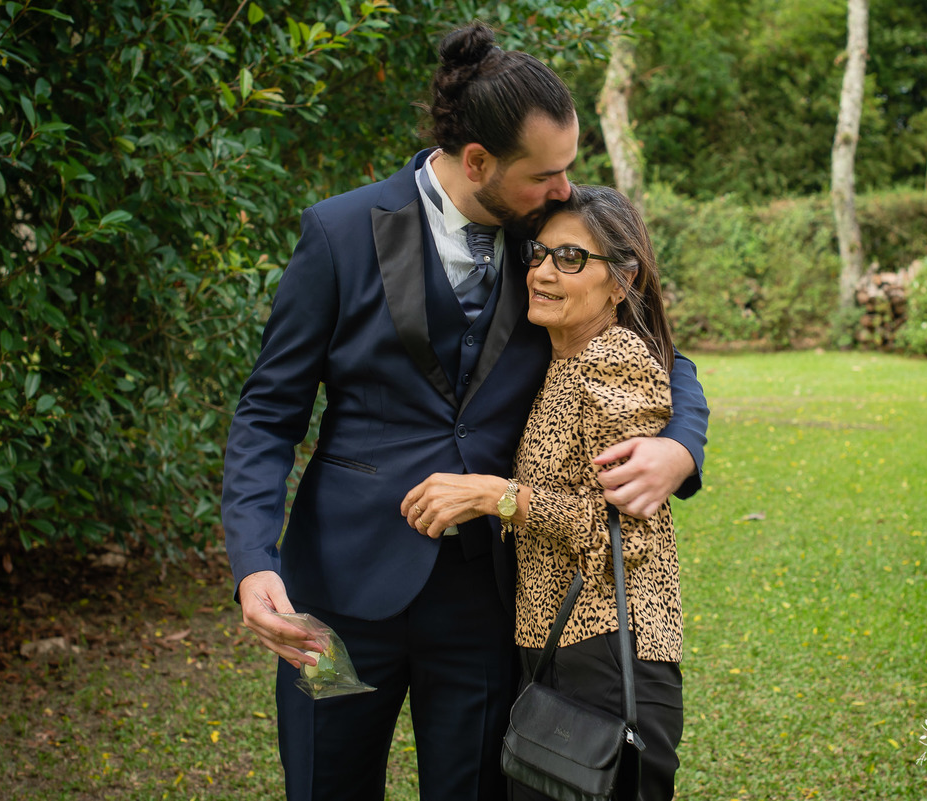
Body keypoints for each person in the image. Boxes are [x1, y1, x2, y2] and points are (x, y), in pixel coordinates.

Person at [221, 21, 708, 801]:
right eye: (545, 174)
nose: (564, 190)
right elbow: (267, 411)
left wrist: (681, 447)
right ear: (478, 161)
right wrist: (252, 561)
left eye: (569, 171)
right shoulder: (340, 232)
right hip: (337, 596)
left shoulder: (551, 242)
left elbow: (657, 344)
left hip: (487, 598)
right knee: (325, 786)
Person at [402, 184, 687, 800]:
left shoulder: (615, 361)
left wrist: (497, 497)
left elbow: (627, 532)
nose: (543, 272)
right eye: (539, 254)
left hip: (611, 644)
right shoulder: (559, 358)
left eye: (572, 259)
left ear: (622, 280)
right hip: (553, 643)